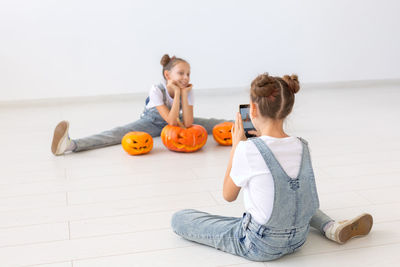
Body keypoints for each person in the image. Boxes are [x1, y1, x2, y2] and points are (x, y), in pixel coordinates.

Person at [171, 73, 373, 261]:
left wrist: (236, 148)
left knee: (180, 219)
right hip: (298, 239)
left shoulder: (248, 150)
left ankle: (328, 227)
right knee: (296, 199)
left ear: (253, 109)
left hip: (260, 245)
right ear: (288, 109)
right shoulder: (302, 145)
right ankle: (330, 227)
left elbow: (228, 195)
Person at [51, 54, 227, 155]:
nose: (186, 78)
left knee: (212, 124)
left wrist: (182, 93)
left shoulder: (187, 89)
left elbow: (187, 124)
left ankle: (249, 124)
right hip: (151, 122)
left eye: (188, 74)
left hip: (177, 120)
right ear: (167, 75)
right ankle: (71, 145)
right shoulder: (156, 89)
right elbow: (171, 122)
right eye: (181, 73)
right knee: (116, 134)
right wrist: (180, 95)